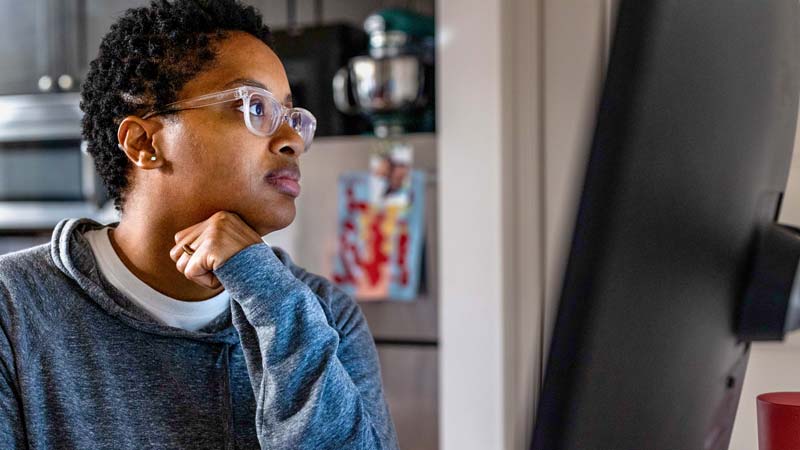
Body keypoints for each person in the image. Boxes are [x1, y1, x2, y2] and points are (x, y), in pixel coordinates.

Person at [0, 1, 399, 449]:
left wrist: (272, 298)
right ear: (144, 142)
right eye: (255, 107)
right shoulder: (13, 310)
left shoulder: (324, 314)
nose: (291, 141)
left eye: (292, 118)